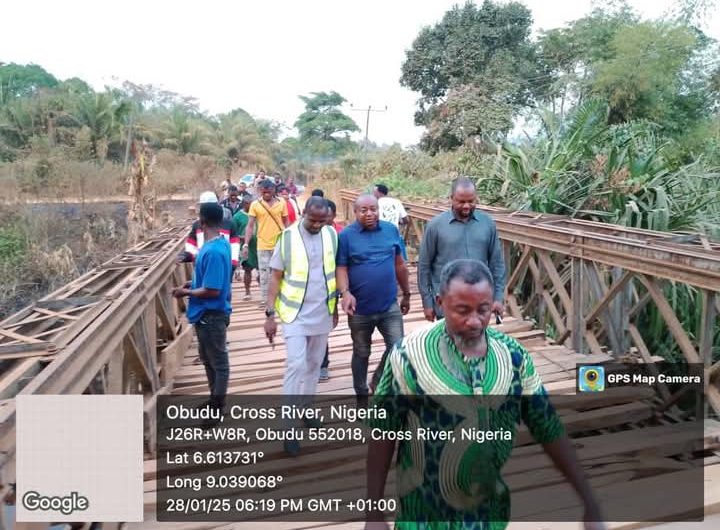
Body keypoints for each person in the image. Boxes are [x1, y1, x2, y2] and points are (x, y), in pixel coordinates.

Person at [364, 259, 605, 530]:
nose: (475, 321)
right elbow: (382, 432)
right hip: (422, 516)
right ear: (441, 303)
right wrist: (373, 514)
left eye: (483, 309)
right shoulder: (408, 356)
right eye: (462, 310)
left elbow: (548, 428)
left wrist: (589, 501)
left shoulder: (513, 358)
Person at [263, 197, 339, 455]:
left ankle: (307, 409)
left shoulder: (331, 234)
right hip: (294, 313)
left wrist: (336, 306)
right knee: (296, 365)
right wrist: (269, 314)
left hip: (322, 312)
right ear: (303, 213)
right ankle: (289, 428)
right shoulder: (287, 238)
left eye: (322, 220)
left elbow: (334, 271)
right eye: (313, 219)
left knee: (315, 365)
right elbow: (275, 277)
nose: (317, 225)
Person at [336, 194, 411, 401]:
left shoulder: (390, 230)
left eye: (373, 209)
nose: (370, 214)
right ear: (355, 212)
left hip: (389, 306)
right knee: (361, 352)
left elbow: (399, 265)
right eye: (364, 210)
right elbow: (341, 267)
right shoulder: (346, 236)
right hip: (359, 309)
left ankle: (377, 380)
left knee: (397, 348)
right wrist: (345, 293)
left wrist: (406, 293)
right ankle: (361, 394)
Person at [172, 203, 232, 416]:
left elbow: (213, 290)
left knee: (219, 363)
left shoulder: (213, 251)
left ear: (201, 221)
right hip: (207, 314)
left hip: (212, 314)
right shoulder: (221, 244)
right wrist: (192, 284)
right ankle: (214, 399)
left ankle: (217, 407)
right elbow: (209, 280)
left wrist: (185, 293)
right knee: (208, 359)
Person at [418, 177, 505, 322]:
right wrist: (427, 303)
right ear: (451, 199)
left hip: (479, 301)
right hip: (447, 302)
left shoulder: (487, 224)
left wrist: (498, 297)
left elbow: (497, 264)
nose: (466, 206)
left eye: (471, 201)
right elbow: (424, 266)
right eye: (461, 201)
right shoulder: (435, 226)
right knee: (448, 342)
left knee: (478, 341)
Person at [243, 180, 289, 307]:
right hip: (262, 244)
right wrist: (246, 244)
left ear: (274, 190)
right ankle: (265, 300)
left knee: (280, 272)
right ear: (260, 191)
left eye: (269, 191)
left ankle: (280, 298)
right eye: (263, 191)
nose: (266, 193)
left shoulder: (281, 203)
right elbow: (250, 226)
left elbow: (286, 222)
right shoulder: (255, 205)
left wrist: (289, 240)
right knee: (264, 274)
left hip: (279, 243)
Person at [180, 191, 240, 275]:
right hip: (203, 263)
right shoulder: (197, 225)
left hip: (223, 263)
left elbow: (234, 245)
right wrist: (191, 256)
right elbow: (191, 244)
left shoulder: (229, 224)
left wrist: (233, 262)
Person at [319, 199, 343, 382]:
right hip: (309, 291)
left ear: (333, 216)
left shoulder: (340, 234)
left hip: (330, 288)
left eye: (325, 217)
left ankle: (323, 365)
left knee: (322, 329)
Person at [232, 196, 259, 301]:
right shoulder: (237, 217)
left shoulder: (259, 214)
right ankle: (247, 291)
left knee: (262, 270)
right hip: (246, 247)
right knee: (247, 269)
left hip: (259, 245)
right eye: (250, 204)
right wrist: (243, 238)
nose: (253, 206)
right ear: (245, 204)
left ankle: (264, 293)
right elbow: (233, 234)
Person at [374, 183, 409, 261]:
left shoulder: (375, 203)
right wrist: (398, 222)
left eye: (374, 192)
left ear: (379, 192)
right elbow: (406, 220)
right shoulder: (397, 202)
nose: (373, 194)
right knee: (399, 259)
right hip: (394, 234)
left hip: (380, 235)